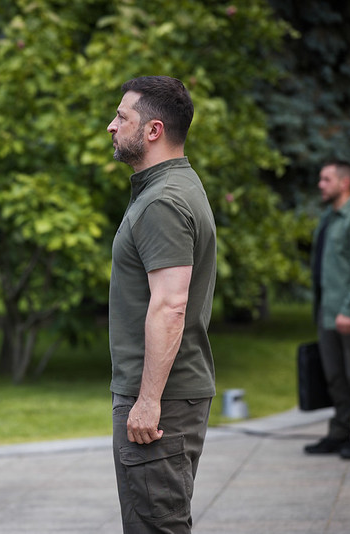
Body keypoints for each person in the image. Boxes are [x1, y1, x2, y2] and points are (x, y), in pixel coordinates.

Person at [106, 76, 217, 533]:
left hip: (161, 402)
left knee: (157, 526)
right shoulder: (175, 186)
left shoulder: (162, 201)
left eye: (121, 117)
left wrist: (148, 400)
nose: (111, 126)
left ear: (153, 130)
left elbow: (170, 306)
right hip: (171, 394)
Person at [304, 160, 350, 459]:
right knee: (336, 379)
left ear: (344, 183)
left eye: (326, 179)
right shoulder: (330, 216)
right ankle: (340, 432)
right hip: (328, 311)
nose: (321, 184)